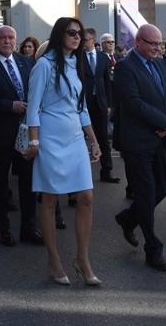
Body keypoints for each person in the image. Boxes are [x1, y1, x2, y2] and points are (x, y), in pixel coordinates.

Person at [25, 17, 102, 285]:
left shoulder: (76, 63)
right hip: (49, 137)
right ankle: (54, 259)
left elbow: (81, 107)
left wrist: (93, 139)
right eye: (71, 33)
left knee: (86, 198)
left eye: (80, 34)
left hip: (74, 137)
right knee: (50, 199)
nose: (77, 37)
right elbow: (32, 106)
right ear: (59, 34)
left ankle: (82, 258)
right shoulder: (43, 65)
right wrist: (34, 142)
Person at [112, 24, 166, 272]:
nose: (157, 48)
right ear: (138, 42)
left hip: (160, 137)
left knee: (161, 188)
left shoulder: (161, 63)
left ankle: (128, 218)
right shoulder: (125, 68)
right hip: (137, 141)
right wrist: (162, 121)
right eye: (152, 44)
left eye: (160, 44)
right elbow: (133, 103)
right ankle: (153, 249)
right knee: (146, 194)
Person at [0, 25, 42, 247]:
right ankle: (4, 229)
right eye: (1, 38)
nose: (7, 41)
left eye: (11, 37)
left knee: (29, 181)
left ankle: (29, 228)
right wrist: (8, 105)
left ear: (16, 40)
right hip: (0, 134)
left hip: (26, 132)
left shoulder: (27, 62)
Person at [81, 27, 120, 184]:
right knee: (81, 138)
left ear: (93, 40)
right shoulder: (77, 58)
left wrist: (109, 104)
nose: (83, 42)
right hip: (83, 103)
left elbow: (106, 82)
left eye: (86, 40)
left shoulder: (102, 58)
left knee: (103, 137)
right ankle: (82, 175)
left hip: (100, 103)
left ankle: (107, 170)